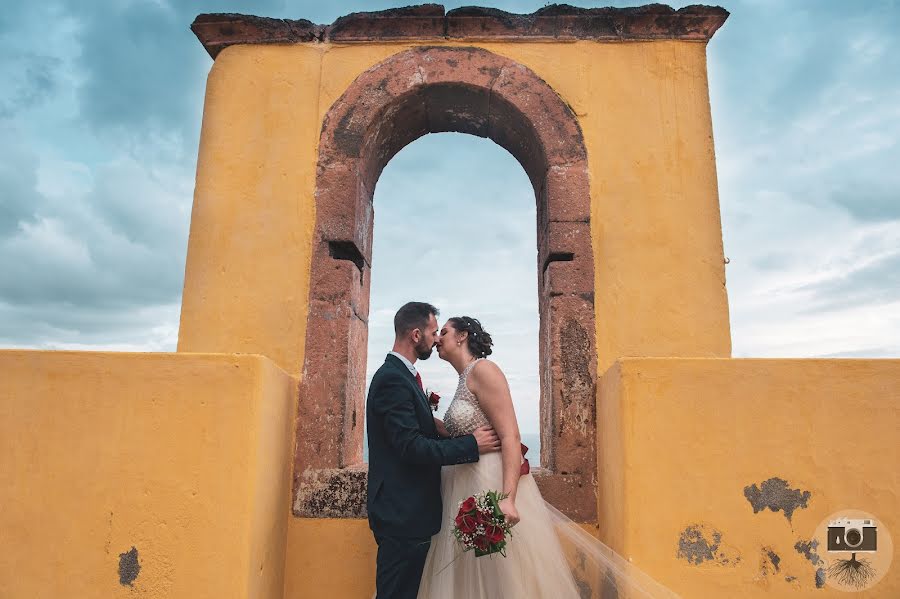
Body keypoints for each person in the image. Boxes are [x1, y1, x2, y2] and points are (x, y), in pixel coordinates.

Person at [416, 316, 681, 599]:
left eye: (444, 331)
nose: (438, 338)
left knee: (504, 575)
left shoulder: (484, 370)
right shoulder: (463, 379)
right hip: (461, 487)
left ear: (462, 336)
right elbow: (462, 432)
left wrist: (507, 498)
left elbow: (511, 436)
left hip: (488, 483)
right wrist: (422, 413)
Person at [366, 302, 501, 599]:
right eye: (431, 331)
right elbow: (411, 447)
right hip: (402, 514)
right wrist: (471, 445)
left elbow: (415, 433)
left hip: (408, 513)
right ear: (416, 335)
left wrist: (444, 429)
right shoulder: (392, 379)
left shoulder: (403, 376)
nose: (436, 339)